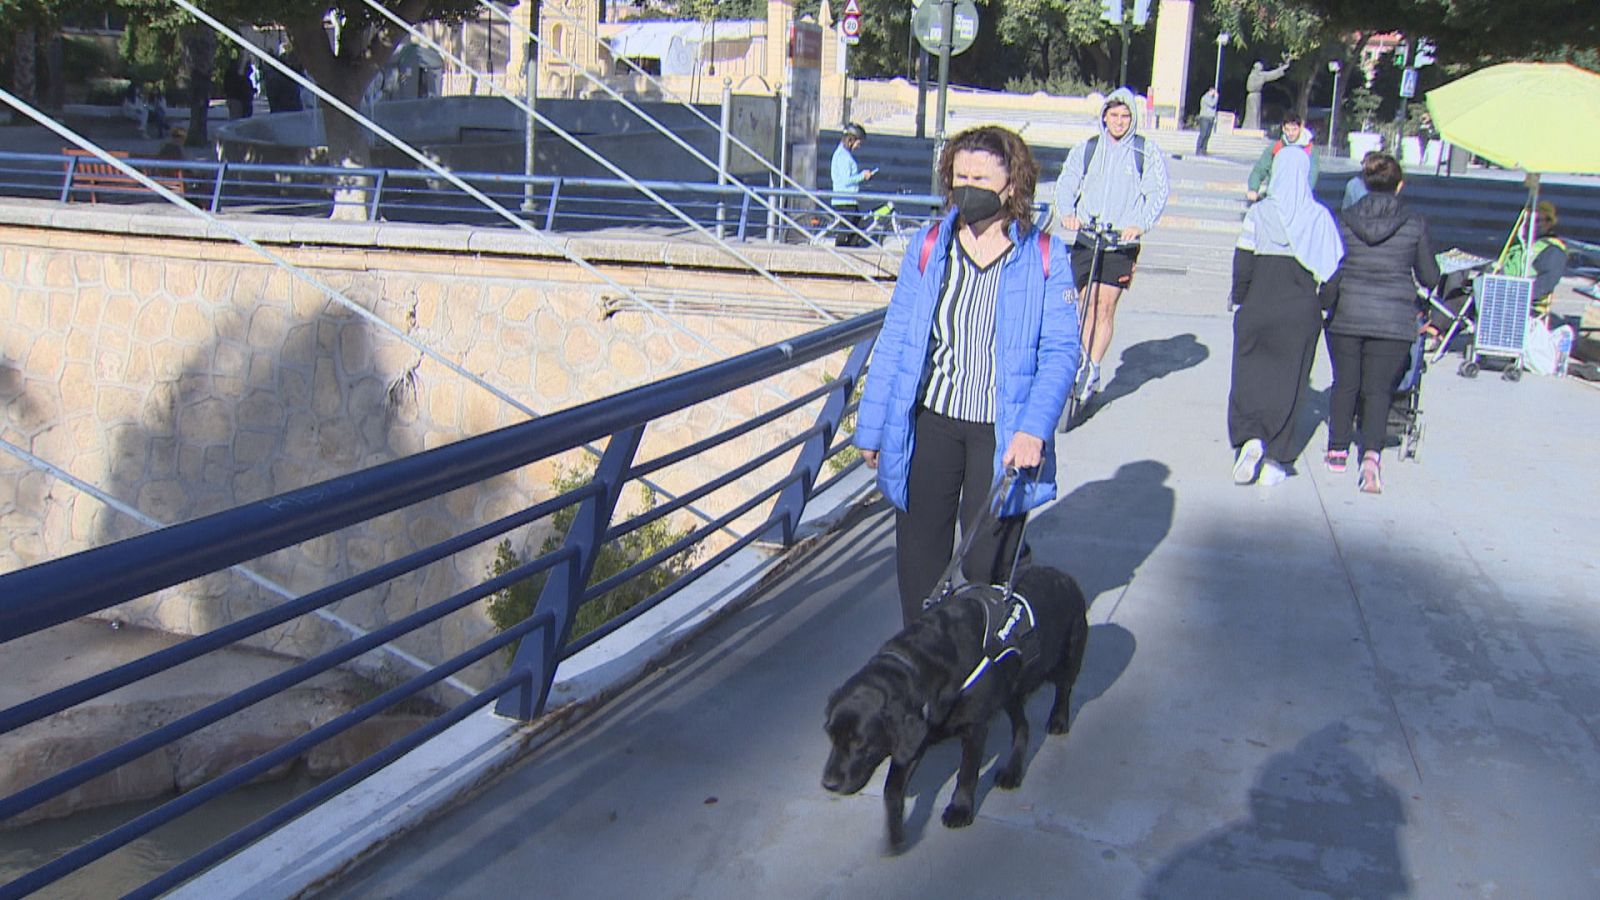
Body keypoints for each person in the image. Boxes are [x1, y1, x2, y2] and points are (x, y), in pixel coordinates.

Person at [856, 125, 1080, 626]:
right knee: (919, 562)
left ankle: (983, 659)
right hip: (931, 420)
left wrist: (1034, 429)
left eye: (982, 176)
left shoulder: (1045, 256)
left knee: (984, 562)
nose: (969, 186)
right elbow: (896, 340)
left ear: (1013, 184)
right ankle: (923, 664)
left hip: (1001, 432)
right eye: (960, 176)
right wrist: (871, 427)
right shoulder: (929, 245)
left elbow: (1063, 352)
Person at [1321, 153, 1439, 494]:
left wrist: (1324, 304)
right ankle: (1371, 457)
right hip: (1393, 317)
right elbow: (1429, 276)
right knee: (1378, 389)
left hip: (1348, 313)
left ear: (1364, 183)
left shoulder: (1344, 220)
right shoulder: (1414, 223)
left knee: (1345, 383)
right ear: (1399, 185)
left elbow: (1333, 268)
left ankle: (1337, 450)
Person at [1227, 146, 1344, 487]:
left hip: (1259, 305)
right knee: (1291, 383)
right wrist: (1322, 305)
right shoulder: (1319, 217)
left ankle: (1250, 438)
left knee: (1249, 376)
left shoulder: (1259, 213)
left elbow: (1243, 261)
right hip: (1299, 310)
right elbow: (1334, 271)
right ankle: (1276, 458)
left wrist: (1239, 303)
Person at [1053, 87, 1170, 401]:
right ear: (1104, 116)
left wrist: (1139, 224)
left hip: (1120, 242)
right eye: (1114, 115)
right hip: (1089, 236)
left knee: (1105, 304)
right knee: (1084, 302)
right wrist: (1067, 213)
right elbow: (1067, 181)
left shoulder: (1144, 151)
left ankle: (1092, 365)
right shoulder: (1088, 149)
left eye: (1125, 116)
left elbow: (1157, 193)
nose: (1119, 122)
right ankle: (1076, 359)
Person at [1496, 199, 1569, 318]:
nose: (1529, 224)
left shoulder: (1552, 250)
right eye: (1527, 220)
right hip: (1499, 297)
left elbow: (1544, 284)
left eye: (1536, 221)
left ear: (1549, 223)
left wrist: (1513, 296)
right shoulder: (1519, 247)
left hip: (1525, 307)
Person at [1247, 113, 1319, 201]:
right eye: (1287, 130)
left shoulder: (1310, 149)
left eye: (1294, 130)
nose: (1290, 133)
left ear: (1300, 128)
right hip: (1276, 196)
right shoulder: (1276, 147)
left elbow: (1312, 175)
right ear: (1283, 129)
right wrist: (1253, 188)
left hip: (1299, 198)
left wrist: (1304, 194)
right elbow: (1260, 169)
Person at [830, 123, 876, 247]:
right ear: (851, 140)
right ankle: (840, 254)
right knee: (846, 233)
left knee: (855, 233)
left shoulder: (842, 154)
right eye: (858, 143)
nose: (858, 146)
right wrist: (862, 175)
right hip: (845, 201)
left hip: (848, 200)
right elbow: (846, 180)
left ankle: (850, 255)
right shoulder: (843, 157)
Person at [1195, 87, 1219, 157]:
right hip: (1205, 118)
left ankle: (1204, 150)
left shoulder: (1212, 98)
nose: (1214, 94)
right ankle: (1198, 150)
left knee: (1208, 135)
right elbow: (1212, 104)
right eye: (1213, 92)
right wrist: (1216, 97)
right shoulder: (1205, 98)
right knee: (1203, 134)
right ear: (1210, 91)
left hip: (1210, 119)